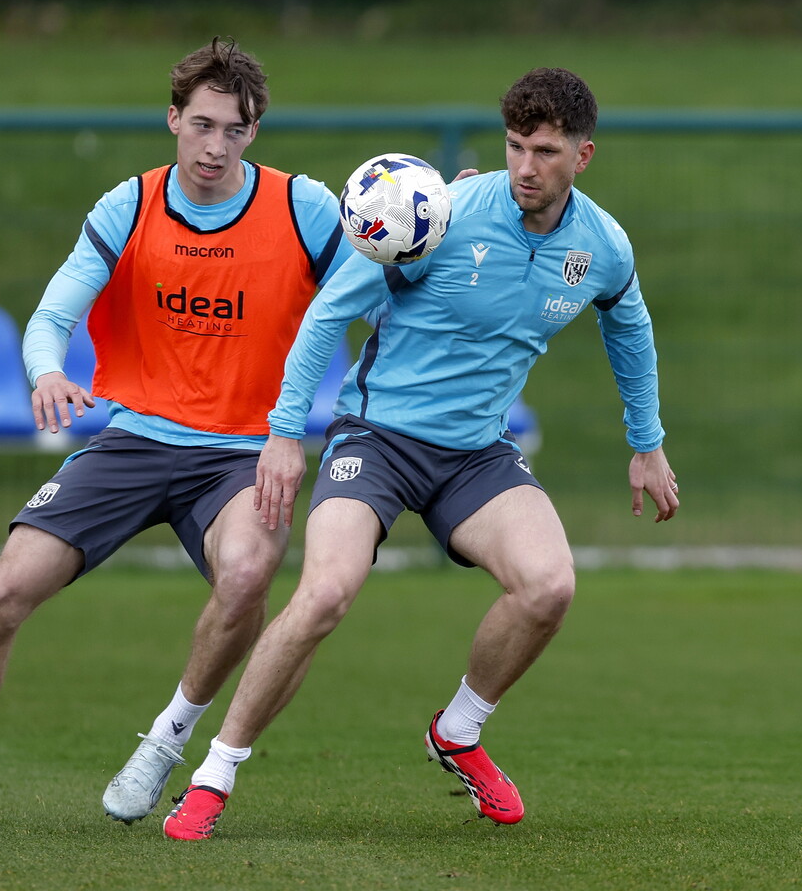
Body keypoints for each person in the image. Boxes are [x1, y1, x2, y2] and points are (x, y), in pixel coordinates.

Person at [162, 67, 680, 840]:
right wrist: (282, 433)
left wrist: (648, 444)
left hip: (475, 453)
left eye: (544, 151)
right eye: (514, 147)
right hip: (377, 439)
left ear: (584, 155)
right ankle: (215, 773)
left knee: (549, 586)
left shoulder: (602, 247)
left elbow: (628, 328)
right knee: (327, 592)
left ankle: (458, 732)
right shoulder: (439, 215)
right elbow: (328, 314)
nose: (526, 167)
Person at [0, 37, 357, 831]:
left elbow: (391, 263)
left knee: (248, 576)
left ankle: (166, 743)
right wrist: (47, 372)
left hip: (240, 451)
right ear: (172, 119)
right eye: (200, 124)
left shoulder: (303, 209)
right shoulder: (128, 205)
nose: (214, 146)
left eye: (233, 130)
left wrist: (443, 217)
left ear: (254, 133)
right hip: (133, 440)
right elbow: (51, 317)